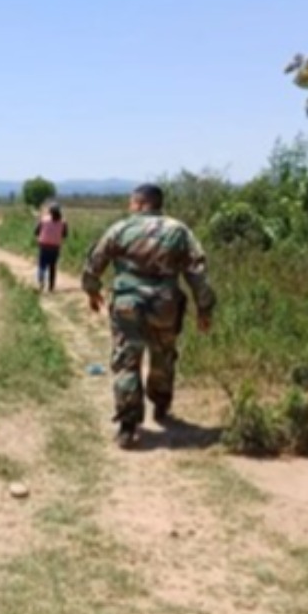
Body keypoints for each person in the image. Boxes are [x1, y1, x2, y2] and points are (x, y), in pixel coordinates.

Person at [81, 183, 216, 449]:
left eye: (132, 202)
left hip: (127, 304)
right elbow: (197, 272)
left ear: (142, 204)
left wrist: (92, 291)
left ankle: (128, 425)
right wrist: (204, 308)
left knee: (126, 360)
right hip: (165, 304)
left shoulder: (121, 228)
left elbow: (95, 262)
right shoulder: (179, 230)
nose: (130, 207)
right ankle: (161, 402)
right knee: (163, 354)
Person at [35, 201, 69, 293]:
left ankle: (41, 282)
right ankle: (51, 287)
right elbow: (65, 235)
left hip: (44, 245)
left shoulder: (44, 219)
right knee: (52, 266)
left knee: (42, 265)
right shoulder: (63, 222)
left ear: (50, 211)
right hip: (55, 247)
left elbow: (36, 231)